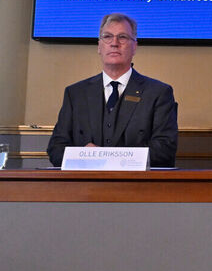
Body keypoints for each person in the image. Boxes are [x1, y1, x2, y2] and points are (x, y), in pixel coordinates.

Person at [47, 13, 178, 167]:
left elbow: (164, 150)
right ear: (99, 46)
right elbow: (56, 149)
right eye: (107, 37)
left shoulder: (158, 93)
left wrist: (110, 158)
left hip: (135, 181)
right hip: (86, 181)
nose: (114, 43)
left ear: (134, 47)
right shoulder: (76, 94)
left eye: (122, 37)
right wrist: (84, 155)